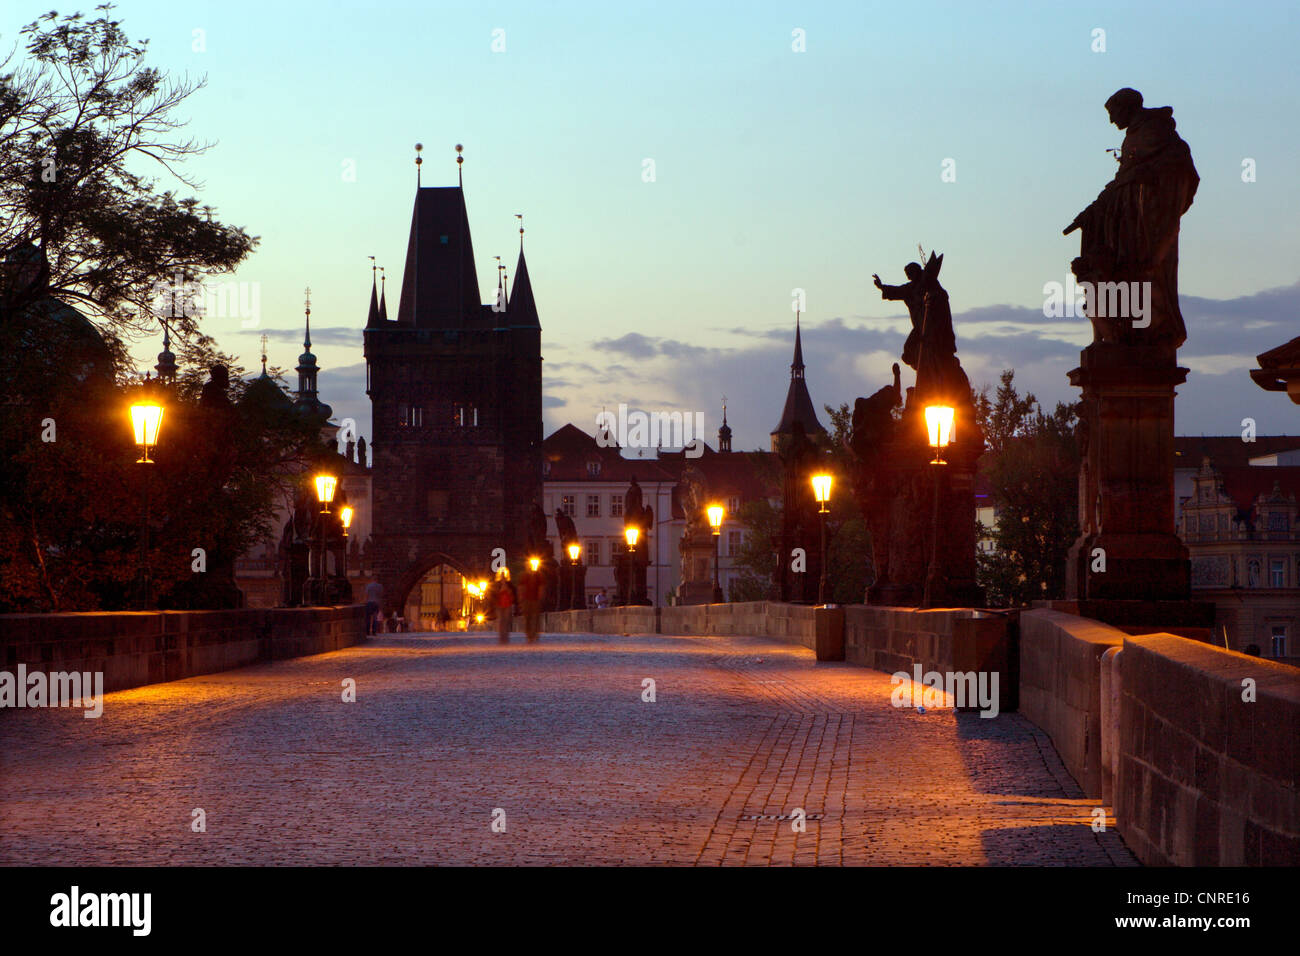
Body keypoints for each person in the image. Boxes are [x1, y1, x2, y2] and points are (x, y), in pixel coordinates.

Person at [519, 566, 546, 644]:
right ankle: (529, 635)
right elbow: (521, 587)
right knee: (527, 618)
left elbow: (542, 586)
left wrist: (541, 597)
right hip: (526, 599)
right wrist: (521, 598)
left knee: (536, 617)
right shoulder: (524, 576)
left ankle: (535, 633)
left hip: (536, 599)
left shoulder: (539, 575)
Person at [493, 573, 517, 644]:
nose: (503, 578)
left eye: (504, 576)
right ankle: (501, 637)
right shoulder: (497, 585)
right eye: (501, 576)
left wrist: (507, 589)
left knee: (506, 622)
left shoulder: (510, 585)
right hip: (499, 605)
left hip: (508, 605)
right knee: (501, 622)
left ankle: (506, 637)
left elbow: (513, 594)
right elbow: (494, 594)